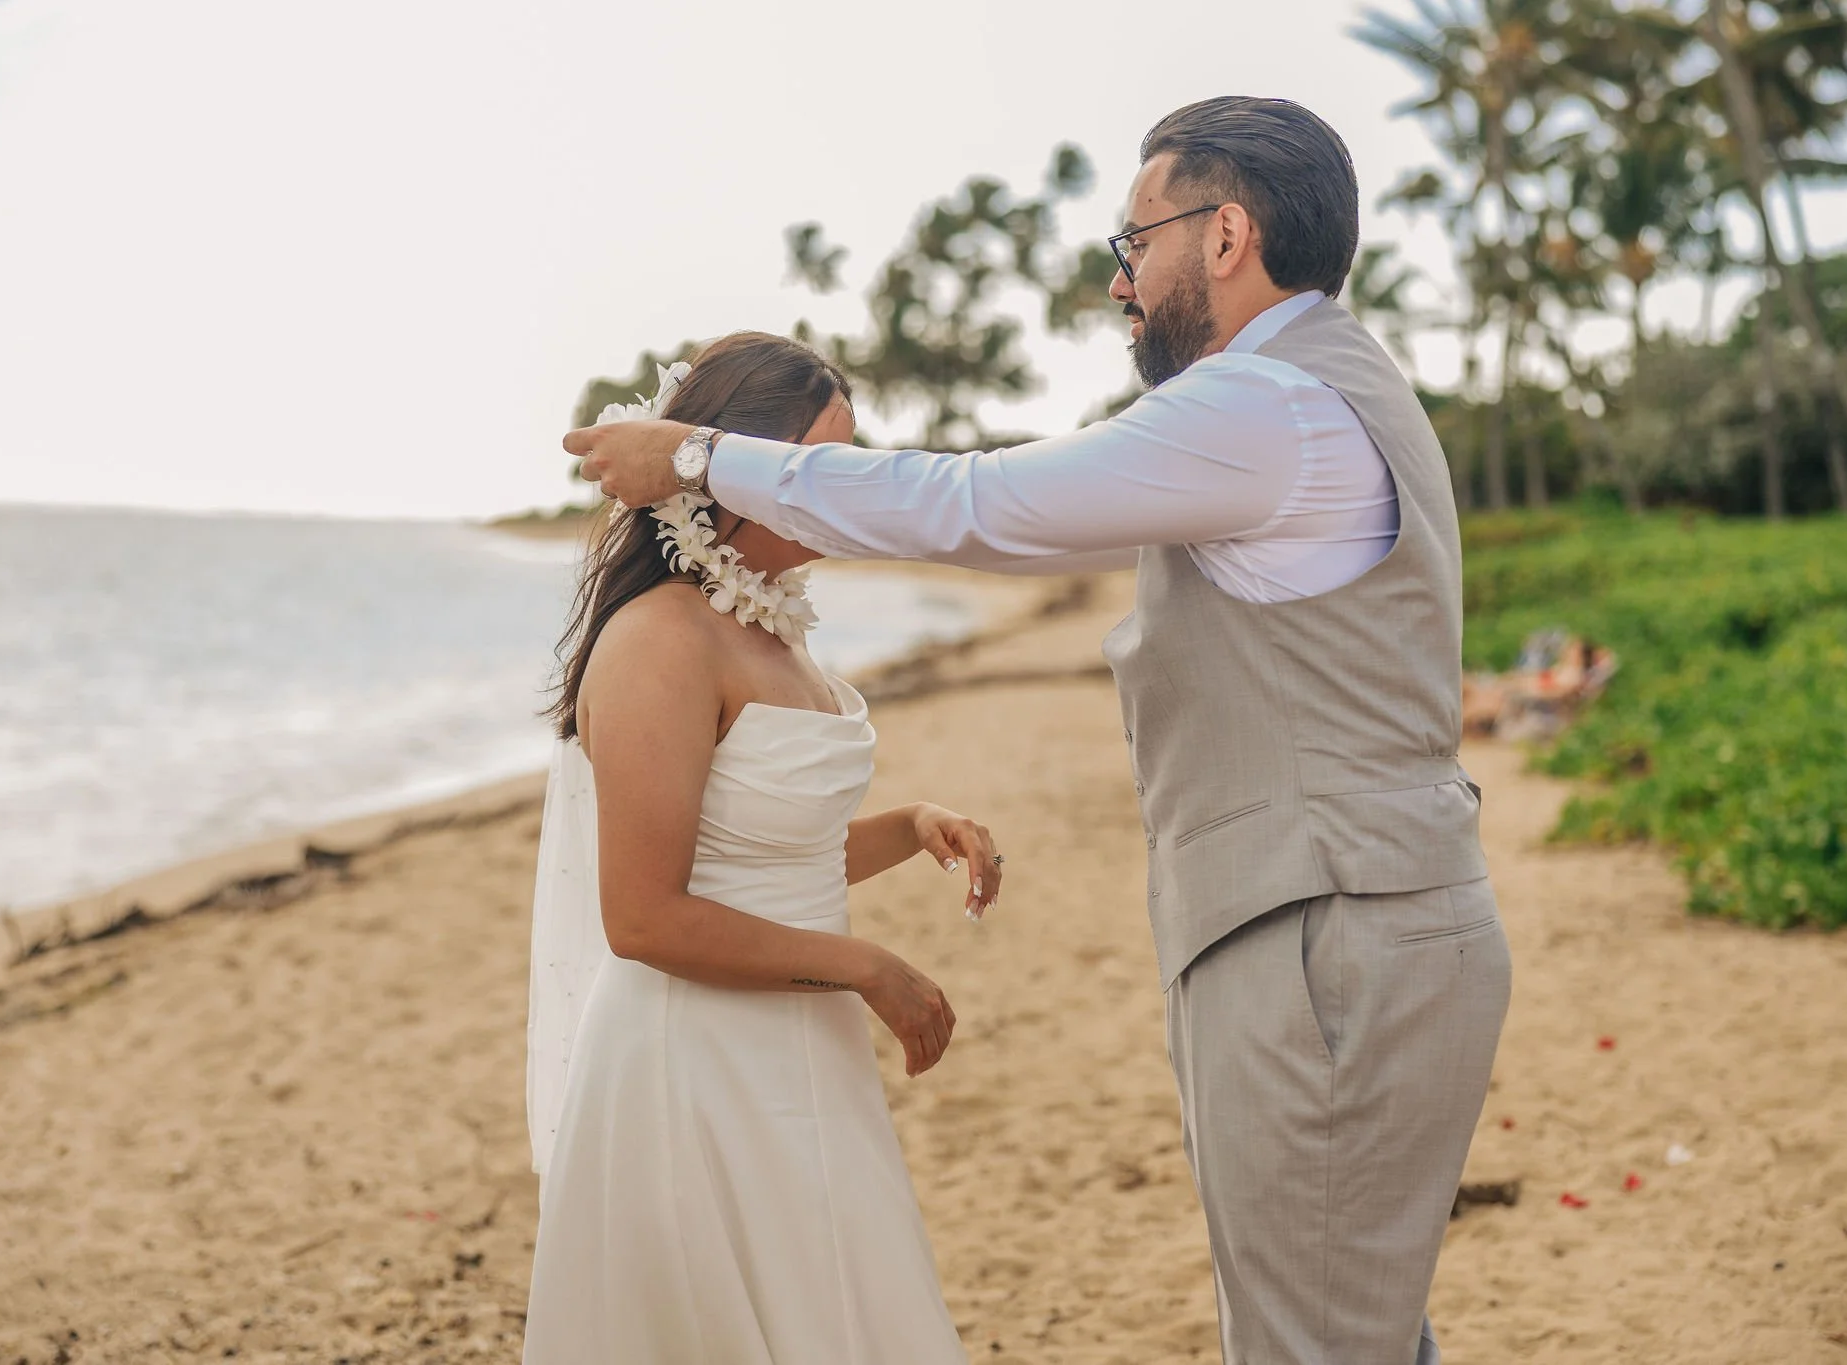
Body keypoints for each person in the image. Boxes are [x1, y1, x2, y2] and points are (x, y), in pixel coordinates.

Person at [570, 98, 1511, 1365]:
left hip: (1324, 937)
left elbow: (983, 505)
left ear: (1224, 234)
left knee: (1313, 1342)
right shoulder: (1321, 393)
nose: (1119, 278)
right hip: (1353, 919)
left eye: (1134, 242)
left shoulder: (1262, 408)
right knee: (1349, 1330)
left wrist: (696, 459)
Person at [521, 331, 999, 1363]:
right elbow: (644, 918)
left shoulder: (772, 626)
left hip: (796, 1042)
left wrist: (910, 828)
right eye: (811, 463)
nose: (830, 491)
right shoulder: (659, 638)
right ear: (719, 466)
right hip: (694, 1063)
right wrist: (867, 967)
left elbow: (769, 861)